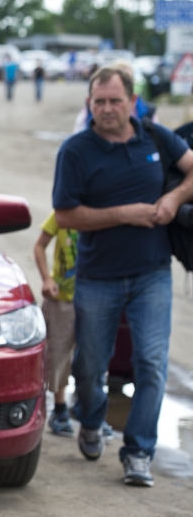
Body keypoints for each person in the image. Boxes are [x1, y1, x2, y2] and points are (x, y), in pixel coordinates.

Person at [53, 65, 193, 486]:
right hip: (98, 278)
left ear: (132, 102)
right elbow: (64, 215)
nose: (108, 109)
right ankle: (92, 421)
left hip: (153, 273)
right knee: (91, 366)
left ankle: (138, 453)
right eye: (99, 102)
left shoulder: (155, 136)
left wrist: (173, 198)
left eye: (115, 101)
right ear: (89, 104)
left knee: (151, 364)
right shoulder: (76, 151)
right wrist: (124, 214)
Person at [33, 212, 77, 436]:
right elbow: (39, 245)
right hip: (60, 299)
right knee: (58, 356)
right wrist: (46, 279)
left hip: (95, 297)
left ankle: (91, 413)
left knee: (92, 358)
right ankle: (60, 409)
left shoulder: (106, 212)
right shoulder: (61, 215)